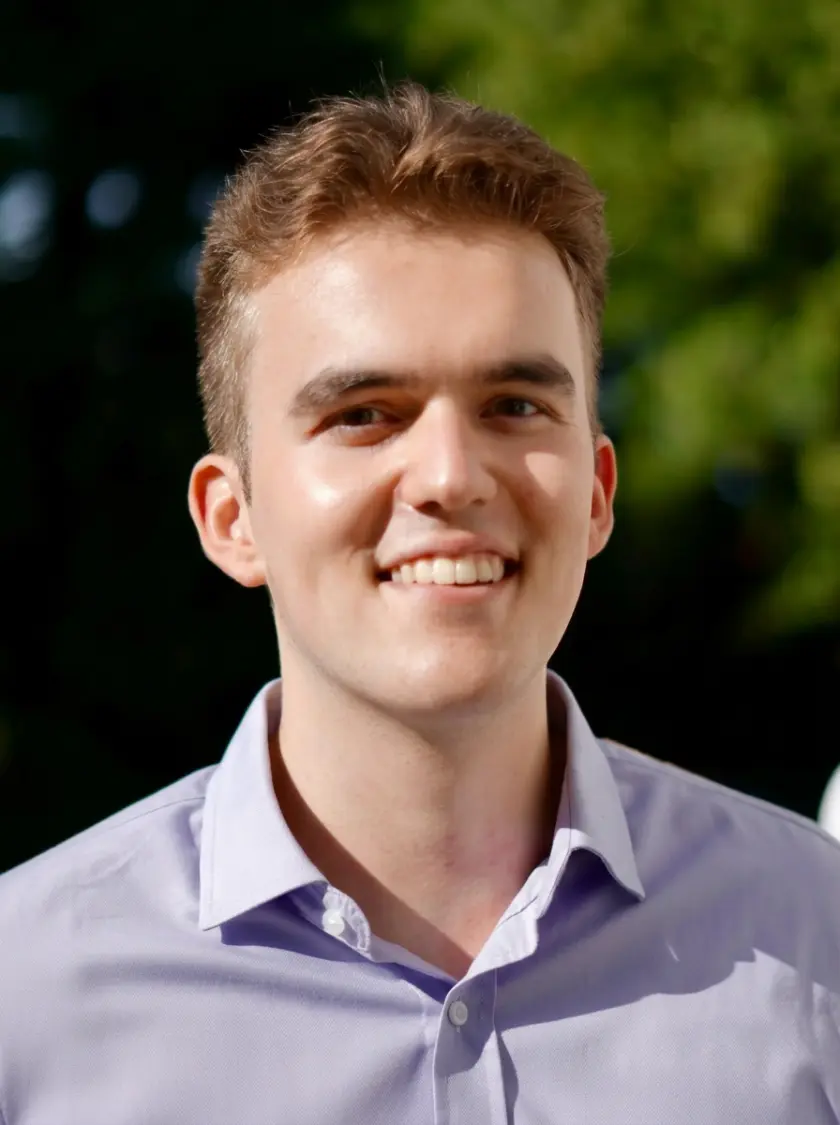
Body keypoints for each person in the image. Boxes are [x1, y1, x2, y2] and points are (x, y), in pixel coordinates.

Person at [1, 80, 839, 1125]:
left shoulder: (818, 941)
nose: (450, 475)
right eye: (365, 414)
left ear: (596, 493)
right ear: (232, 517)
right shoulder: (25, 1000)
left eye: (515, 405)